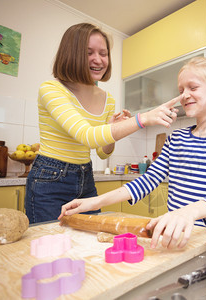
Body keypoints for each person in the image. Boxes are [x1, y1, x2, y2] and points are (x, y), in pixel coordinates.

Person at [59, 56, 206, 249]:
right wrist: (94, 202)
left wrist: (187, 213)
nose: (184, 95)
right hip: (175, 239)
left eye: (193, 88)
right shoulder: (176, 138)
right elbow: (147, 181)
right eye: (181, 90)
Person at [25, 23, 180, 224]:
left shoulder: (107, 98)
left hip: (85, 177)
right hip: (49, 180)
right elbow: (88, 137)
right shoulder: (51, 89)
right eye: (88, 53)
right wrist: (143, 119)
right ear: (71, 54)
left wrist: (112, 127)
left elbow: (102, 151)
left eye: (103, 53)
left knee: (88, 245)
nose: (98, 60)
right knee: (50, 248)